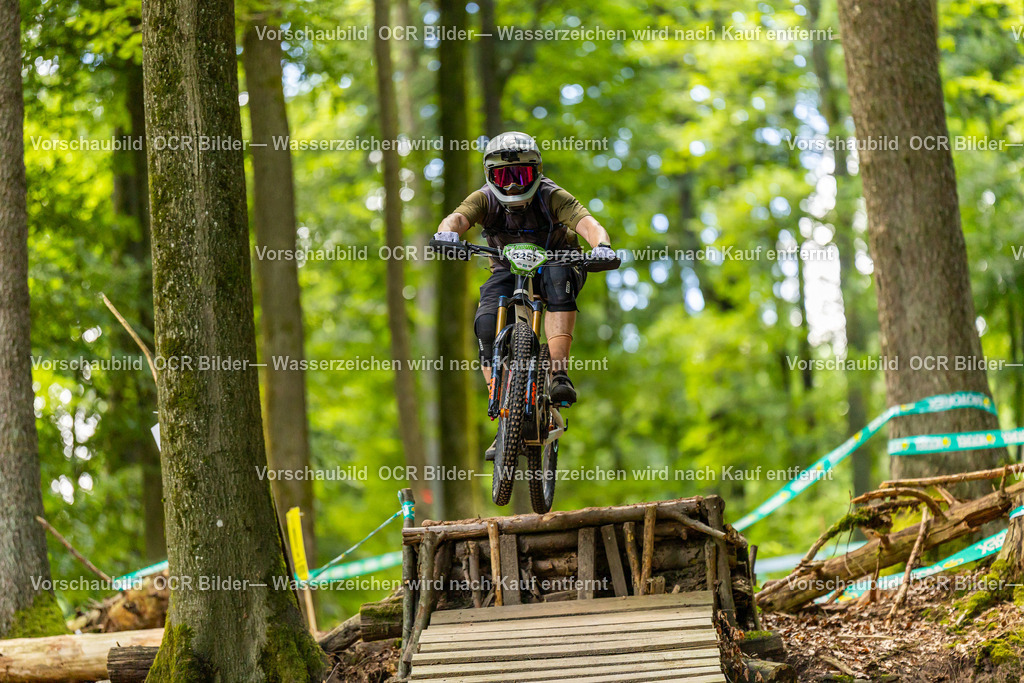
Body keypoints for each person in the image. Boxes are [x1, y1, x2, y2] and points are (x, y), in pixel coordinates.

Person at [433, 131, 615, 459]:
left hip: (558, 260)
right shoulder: (484, 198)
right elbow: (458, 218)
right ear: (491, 177)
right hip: (506, 269)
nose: (514, 185)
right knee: (486, 323)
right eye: (505, 176)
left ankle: (559, 373)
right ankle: (503, 411)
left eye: (522, 175)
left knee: (559, 280)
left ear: (537, 172)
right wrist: (447, 234)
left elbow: (588, 223)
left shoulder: (552, 196)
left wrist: (601, 247)